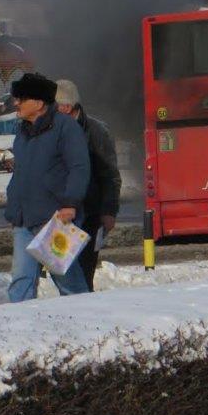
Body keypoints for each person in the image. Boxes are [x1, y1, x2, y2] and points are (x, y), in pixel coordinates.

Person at [4, 72, 91, 302]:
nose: (16, 103)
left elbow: (79, 168)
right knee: (20, 282)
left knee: (68, 283)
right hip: (24, 220)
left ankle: (89, 327)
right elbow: (22, 173)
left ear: (39, 103)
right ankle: (21, 330)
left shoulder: (66, 128)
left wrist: (70, 204)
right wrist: (13, 207)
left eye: (21, 98)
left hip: (55, 220)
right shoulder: (22, 131)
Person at [55, 79, 121, 291]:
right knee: (61, 267)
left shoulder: (96, 131)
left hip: (90, 212)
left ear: (67, 107)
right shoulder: (53, 128)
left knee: (84, 269)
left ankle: (85, 313)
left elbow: (109, 174)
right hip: (61, 211)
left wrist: (109, 211)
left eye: (55, 106)